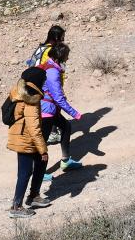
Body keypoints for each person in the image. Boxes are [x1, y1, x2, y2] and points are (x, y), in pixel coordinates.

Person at [6, 67, 52, 218]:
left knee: (40, 163)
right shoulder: (31, 97)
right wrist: (43, 149)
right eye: (43, 79)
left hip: (22, 135)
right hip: (25, 138)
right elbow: (34, 127)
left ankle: (33, 196)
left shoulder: (19, 90)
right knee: (25, 172)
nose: (45, 82)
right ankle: (16, 206)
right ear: (38, 81)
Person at [40, 43, 83, 173]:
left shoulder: (48, 64)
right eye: (67, 56)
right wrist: (75, 113)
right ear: (61, 56)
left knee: (66, 126)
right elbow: (58, 98)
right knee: (42, 142)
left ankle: (65, 161)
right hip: (46, 110)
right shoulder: (52, 72)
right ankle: (39, 174)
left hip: (48, 109)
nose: (68, 59)